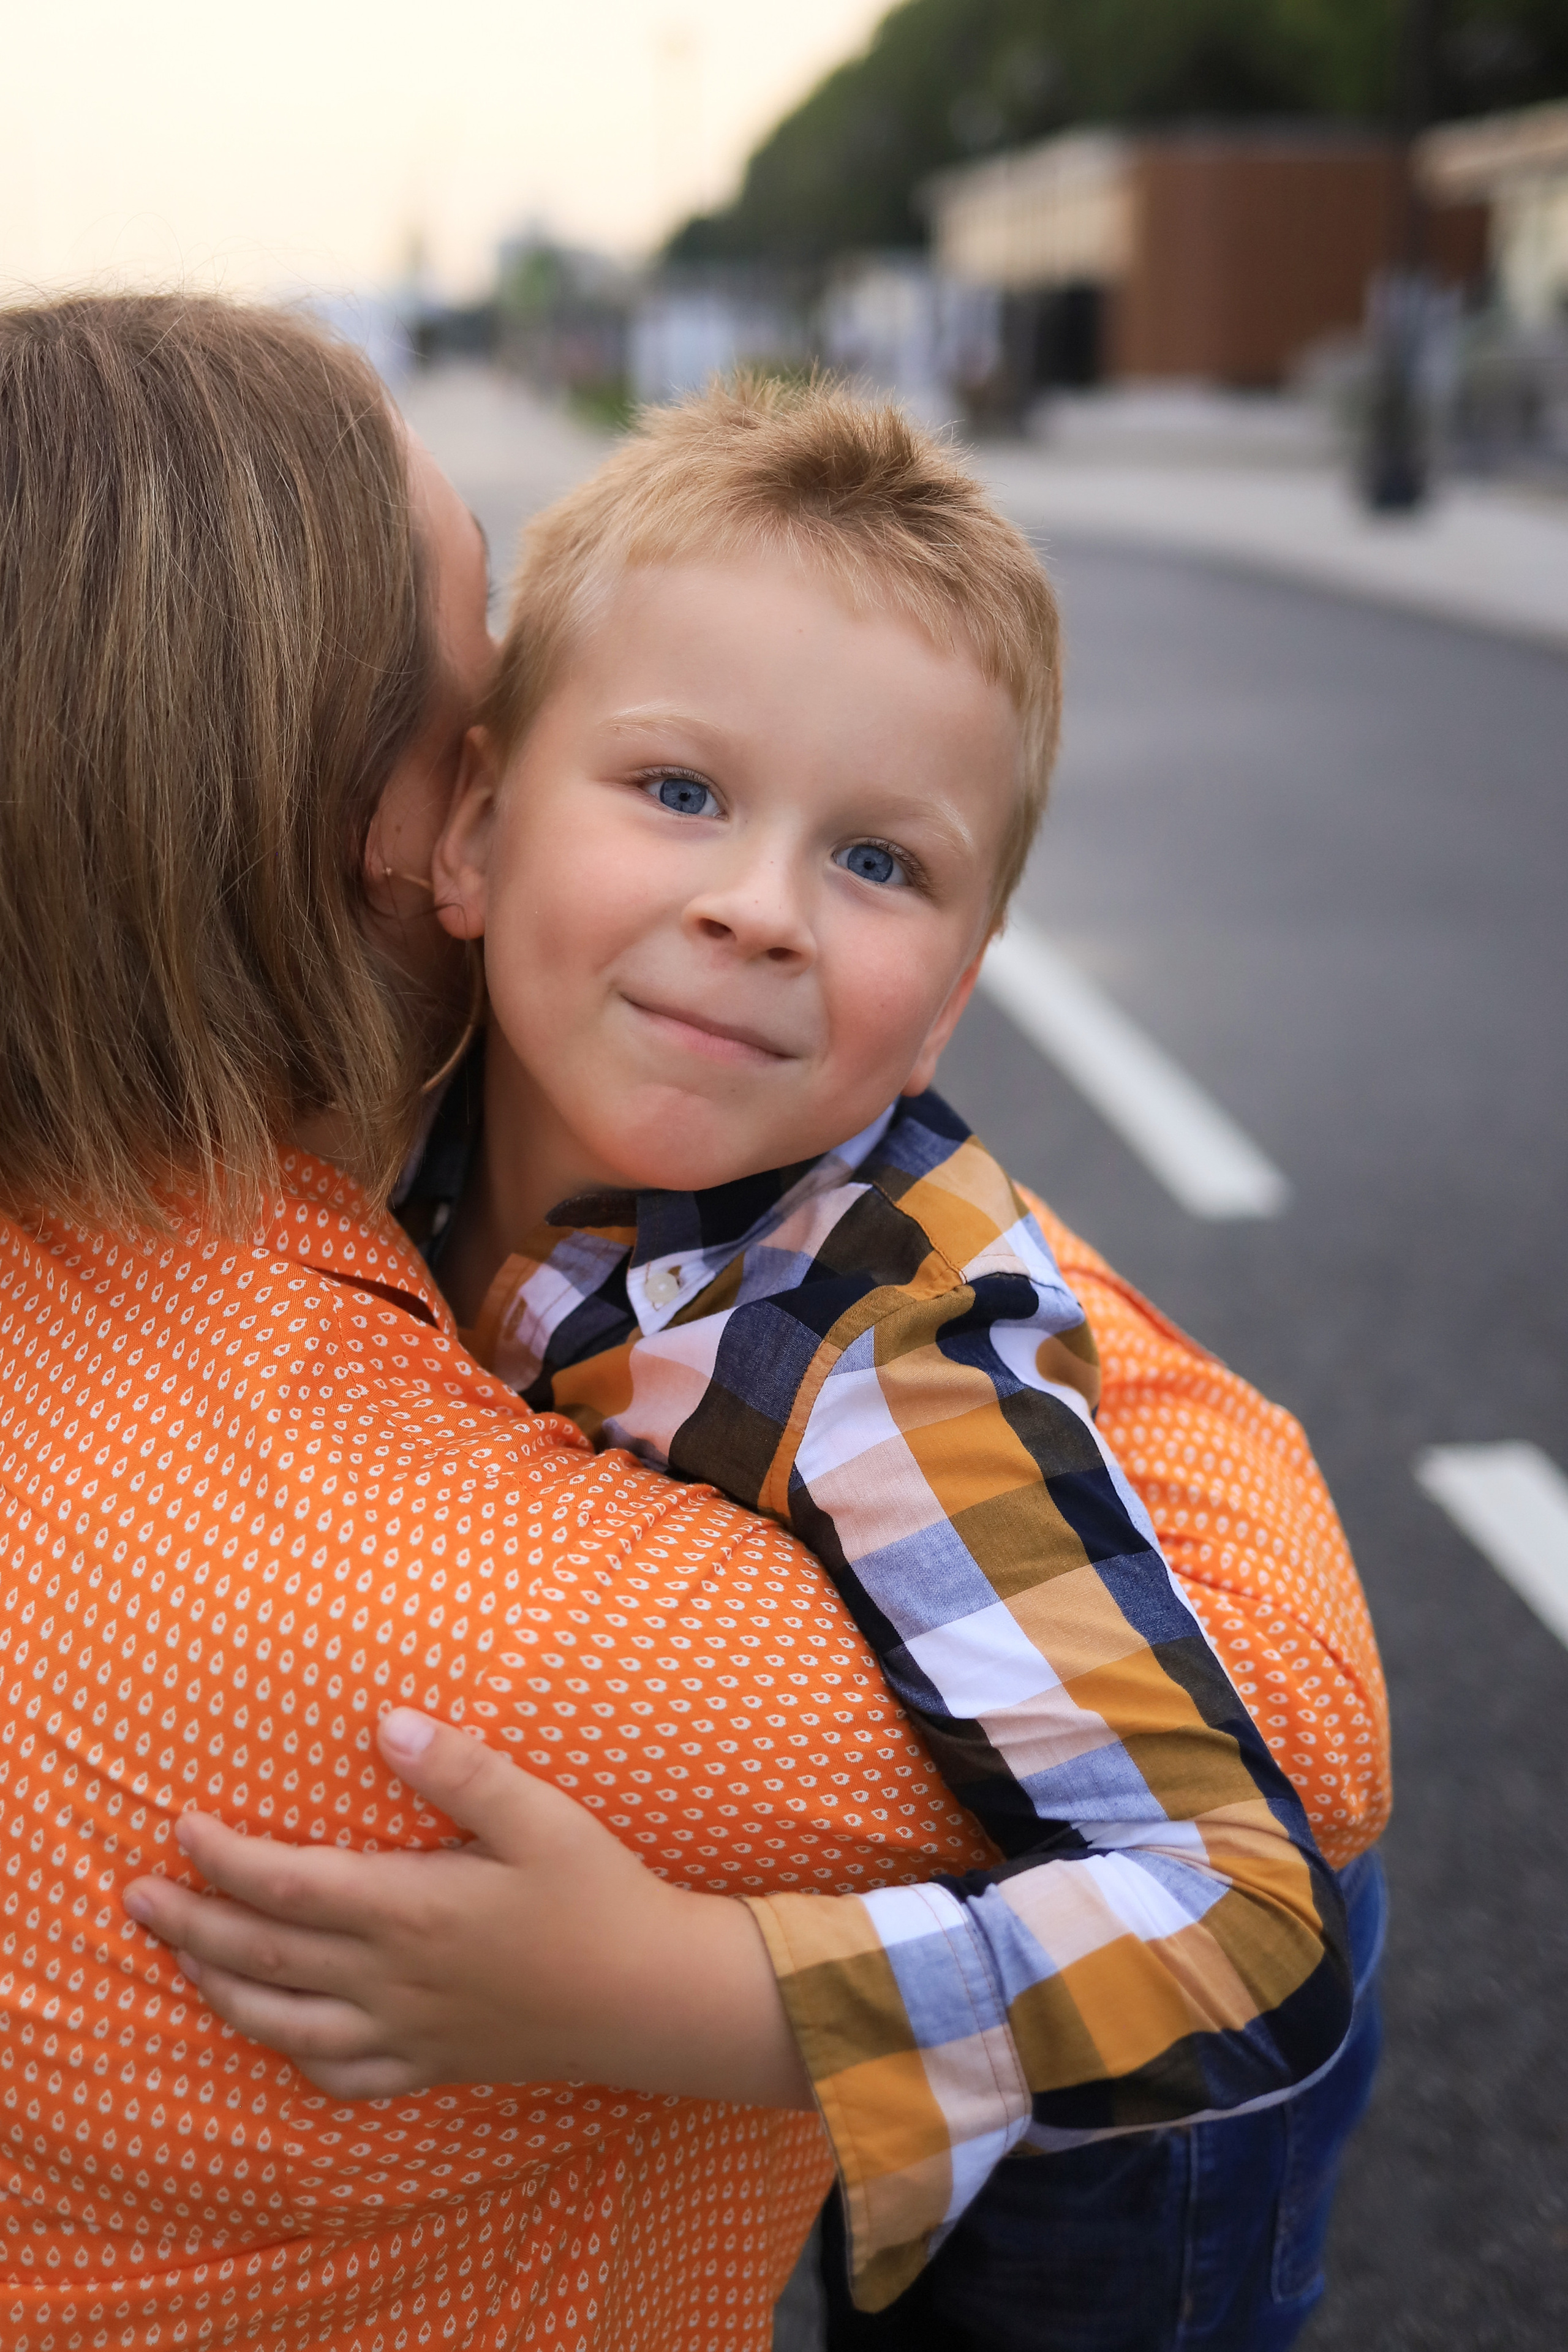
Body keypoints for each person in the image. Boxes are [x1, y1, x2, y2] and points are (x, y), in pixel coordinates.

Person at [123, 385, 1389, 2348]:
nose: (759, 909)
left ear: (953, 995)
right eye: (683, 792)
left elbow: (1243, 1931)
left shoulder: (886, 1349)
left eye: (881, 863)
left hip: (1118, 2108)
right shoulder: (412, 1093)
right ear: (470, 829)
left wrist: (664, 1996)